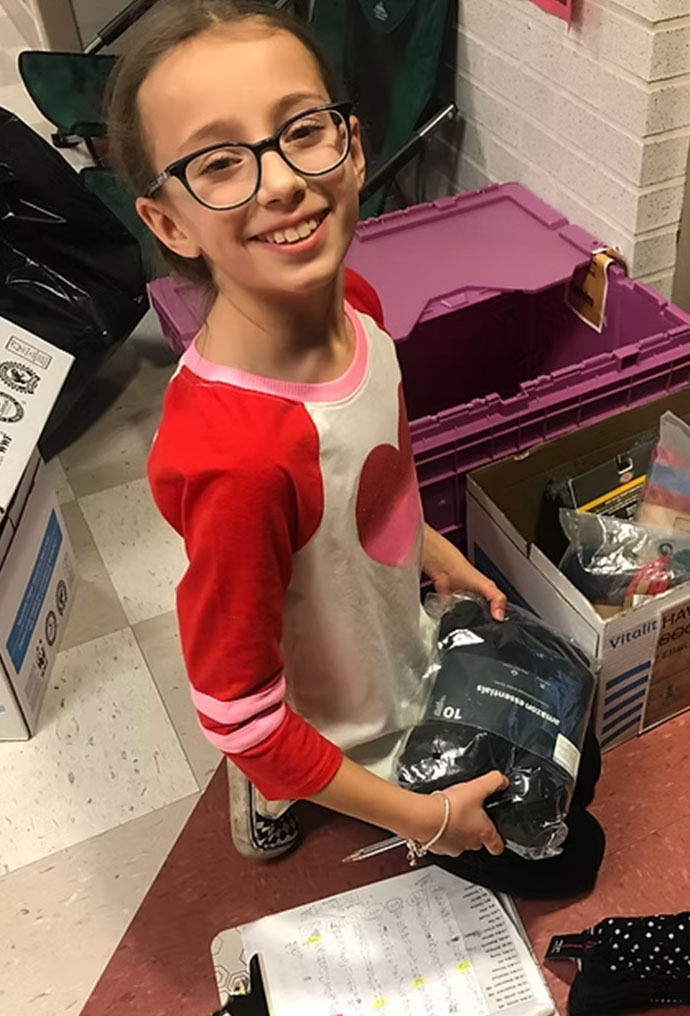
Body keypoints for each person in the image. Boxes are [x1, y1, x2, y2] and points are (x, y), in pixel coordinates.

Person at [107, 0, 603, 896]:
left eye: (302, 131)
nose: (281, 181)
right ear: (171, 224)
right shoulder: (237, 460)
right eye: (220, 163)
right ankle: (277, 794)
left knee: (576, 765)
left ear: (355, 147)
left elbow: (371, 484)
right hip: (314, 718)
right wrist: (424, 818)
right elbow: (236, 713)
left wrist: (430, 549)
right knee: (566, 860)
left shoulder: (360, 309)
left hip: (393, 642)